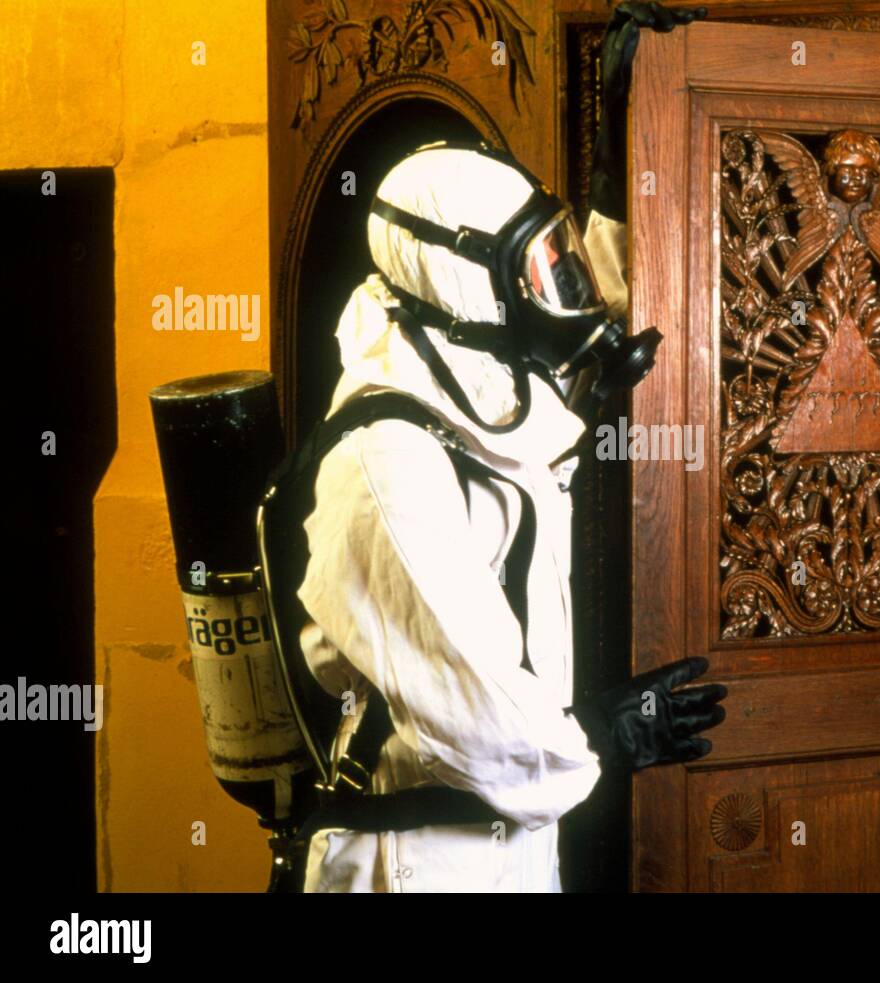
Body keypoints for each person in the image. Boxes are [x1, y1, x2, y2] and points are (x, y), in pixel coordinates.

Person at [293, 2, 721, 892]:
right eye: (541, 264)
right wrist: (609, 730)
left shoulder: (477, 387)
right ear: (465, 279)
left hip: (507, 848)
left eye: (559, 250)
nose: (563, 285)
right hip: (418, 860)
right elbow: (490, 735)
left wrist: (620, 147)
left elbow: (580, 321)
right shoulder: (384, 460)